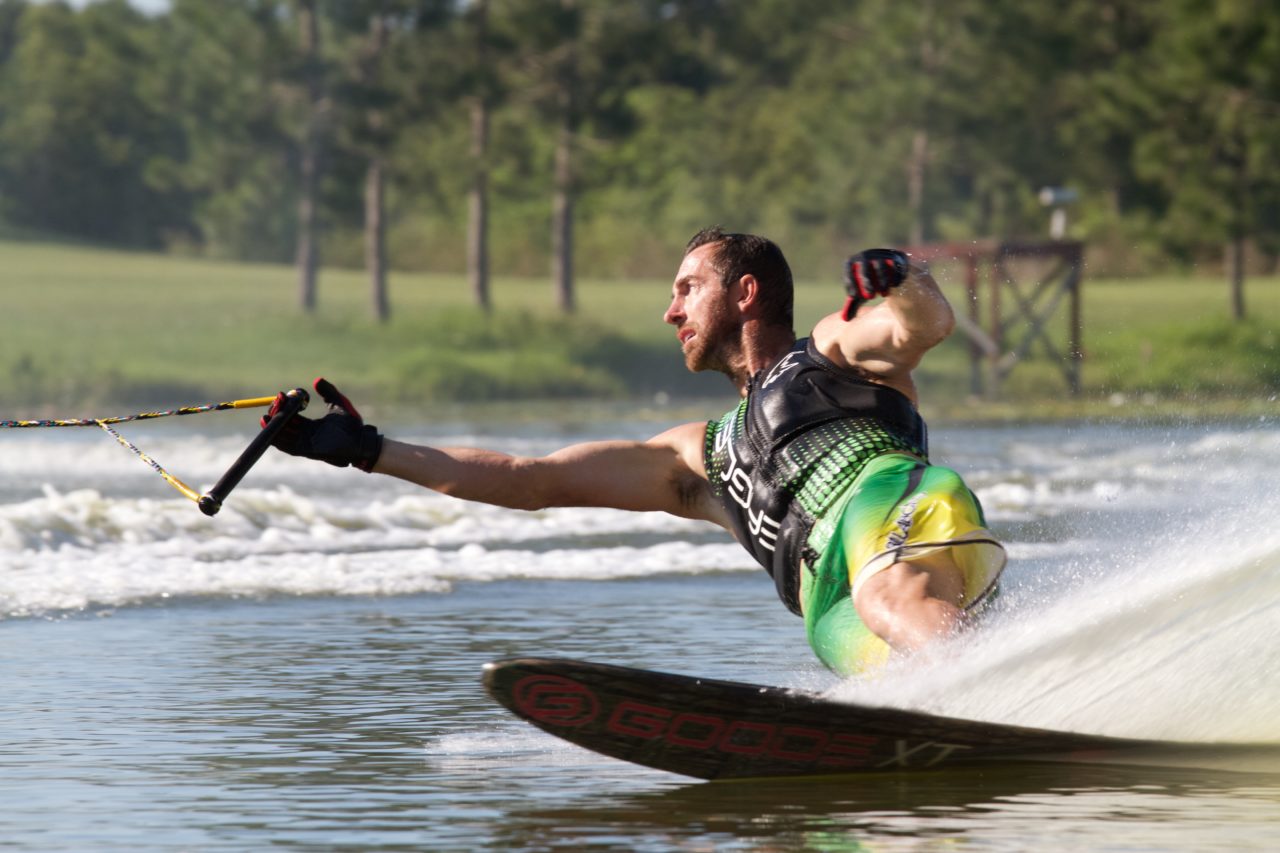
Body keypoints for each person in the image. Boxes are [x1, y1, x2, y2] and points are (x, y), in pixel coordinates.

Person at [264, 228, 1006, 676]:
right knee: (886, 680)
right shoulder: (697, 459)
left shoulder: (829, 351)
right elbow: (532, 481)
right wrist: (367, 449)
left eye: (688, 288)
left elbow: (921, 327)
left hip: (891, 511)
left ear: (746, 292)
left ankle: (999, 697)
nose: (670, 309)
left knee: (890, 603)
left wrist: (901, 277)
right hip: (829, 604)